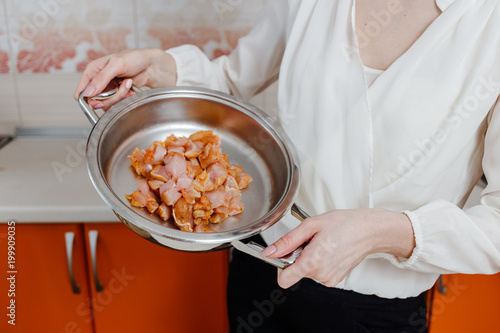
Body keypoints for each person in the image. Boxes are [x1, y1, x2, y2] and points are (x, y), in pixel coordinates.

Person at [75, 0, 500, 332]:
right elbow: (232, 82)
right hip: (261, 263)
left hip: (373, 307)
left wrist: (381, 232)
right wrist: (164, 69)